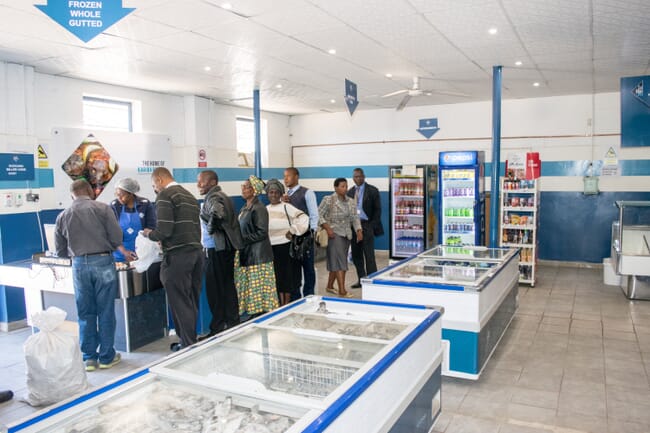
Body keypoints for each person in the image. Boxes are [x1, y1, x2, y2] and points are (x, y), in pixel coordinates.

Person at [54, 179, 123, 372]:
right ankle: (107, 357)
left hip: (78, 266)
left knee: (85, 312)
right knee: (106, 310)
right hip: (103, 262)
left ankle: (89, 358)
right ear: (90, 191)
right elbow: (117, 238)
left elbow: (60, 251)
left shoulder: (63, 215)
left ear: (72, 195)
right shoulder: (103, 209)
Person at [143, 167, 202, 352]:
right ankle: (189, 340)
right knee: (190, 300)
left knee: (180, 302)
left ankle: (188, 346)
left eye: (154, 185)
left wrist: (150, 234)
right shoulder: (189, 196)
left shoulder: (165, 196)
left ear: (160, 180)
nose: (155, 190)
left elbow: (165, 231)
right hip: (196, 254)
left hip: (178, 256)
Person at [197, 170, 243, 338]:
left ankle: (217, 327)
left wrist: (210, 228)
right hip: (225, 248)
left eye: (201, 182)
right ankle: (232, 323)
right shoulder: (222, 195)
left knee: (215, 290)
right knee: (227, 287)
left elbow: (218, 213)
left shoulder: (214, 197)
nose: (198, 185)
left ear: (212, 182)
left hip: (216, 249)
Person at [235, 175, 279, 318]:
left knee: (258, 288)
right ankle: (255, 313)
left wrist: (242, 239)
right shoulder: (246, 207)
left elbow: (261, 233)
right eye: (243, 186)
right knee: (252, 288)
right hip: (249, 254)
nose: (243, 188)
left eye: (246, 186)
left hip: (258, 256)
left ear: (254, 190)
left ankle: (260, 314)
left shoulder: (259, 208)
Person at [265, 179, 309, 306]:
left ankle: (286, 304)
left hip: (285, 247)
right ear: (267, 194)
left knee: (287, 277)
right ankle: (280, 304)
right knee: (277, 278)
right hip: (271, 249)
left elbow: (303, 217)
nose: (273, 195)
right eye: (271, 192)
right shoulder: (265, 209)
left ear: (280, 194)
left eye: (276, 192)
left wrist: (293, 230)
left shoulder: (286, 207)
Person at [318, 177, 362, 297]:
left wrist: (358, 230)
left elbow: (354, 217)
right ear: (336, 187)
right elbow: (319, 215)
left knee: (336, 261)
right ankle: (342, 290)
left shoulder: (350, 201)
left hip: (346, 235)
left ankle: (330, 286)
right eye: (342, 186)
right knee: (341, 262)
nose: (345, 189)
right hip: (334, 234)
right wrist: (328, 228)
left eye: (346, 186)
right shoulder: (328, 200)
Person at [282, 167, 319, 300]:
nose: (285, 179)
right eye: (284, 176)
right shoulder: (285, 196)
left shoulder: (307, 193)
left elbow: (314, 215)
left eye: (288, 176)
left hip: (305, 237)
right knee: (293, 269)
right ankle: (295, 297)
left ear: (296, 177)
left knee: (308, 268)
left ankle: (309, 295)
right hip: (290, 238)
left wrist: (312, 234)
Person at [347, 168, 384, 287]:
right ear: (353, 178)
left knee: (369, 255)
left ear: (364, 177)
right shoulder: (350, 192)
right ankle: (361, 280)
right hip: (354, 226)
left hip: (367, 225)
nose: (357, 178)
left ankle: (372, 281)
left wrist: (372, 226)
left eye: (359, 176)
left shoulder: (372, 190)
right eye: (355, 177)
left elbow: (378, 210)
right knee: (357, 255)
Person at [110, 177, 156, 263]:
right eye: (117, 194)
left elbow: (152, 227)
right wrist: (124, 252)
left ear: (130, 193)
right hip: (120, 255)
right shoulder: (115, 206)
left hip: (142, 254)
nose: (119, 197)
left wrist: (148, 232)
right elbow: (111, 233)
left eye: (121, 195)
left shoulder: (145, 204)